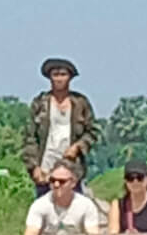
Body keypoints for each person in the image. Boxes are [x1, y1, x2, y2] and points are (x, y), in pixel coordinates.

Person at [22, 58, 98, 198]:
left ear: (70, 78)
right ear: (50, 78)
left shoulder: (81, 103)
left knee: (74, 212)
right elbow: (30, 137)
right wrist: (33, 167)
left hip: (71, 167)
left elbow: (93, 132)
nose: (59, 79)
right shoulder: (40, 103)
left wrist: (77, 147)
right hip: (46, 167)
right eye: (55, 75)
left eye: (63, 75)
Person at [13, 159, 101, 235]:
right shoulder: (40, 205)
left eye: (62, 181)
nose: (56, 184)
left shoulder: (86, 205)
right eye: (53, 180)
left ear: (73, 183)